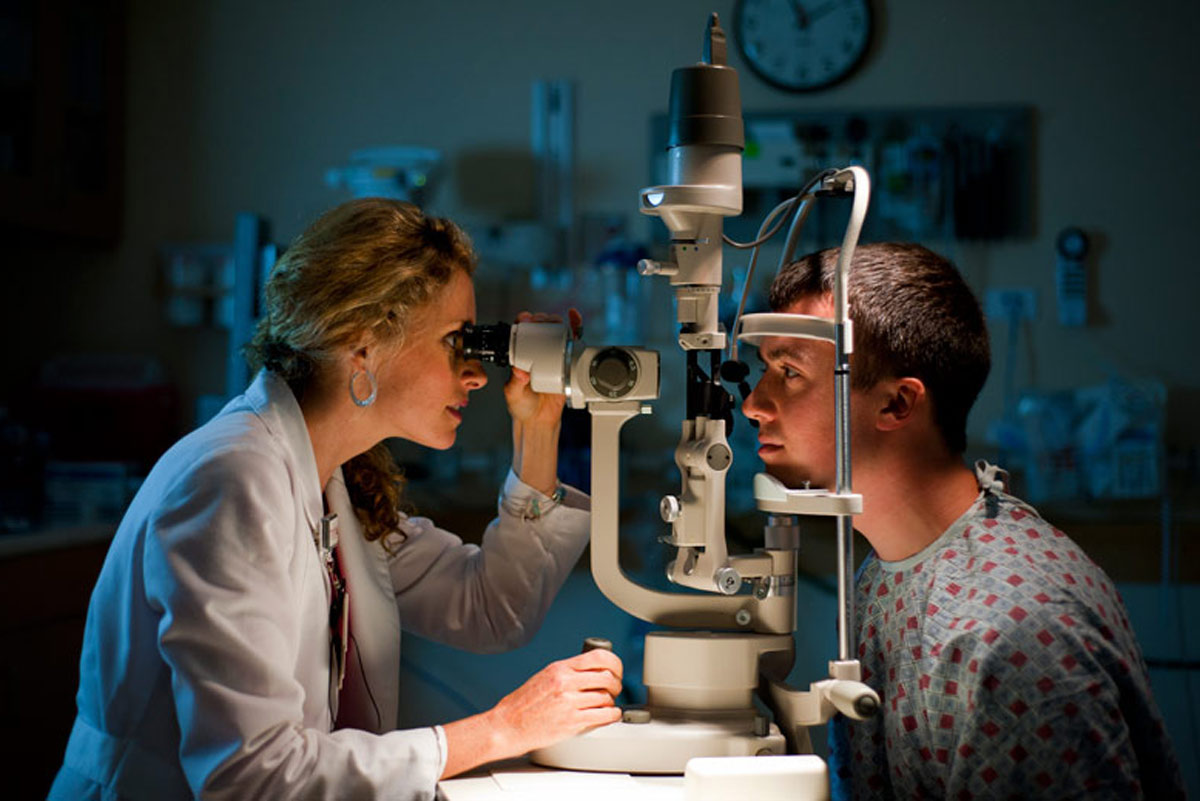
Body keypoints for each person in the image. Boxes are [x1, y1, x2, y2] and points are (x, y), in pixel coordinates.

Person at [50, 198, 623, 800]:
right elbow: (249, 777)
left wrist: (537, 427)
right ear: (363, 343)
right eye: (456, 342)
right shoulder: (231, 480)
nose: (476, 375)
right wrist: (499, 730)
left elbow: (491, 608)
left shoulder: (333, 482)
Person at [741, 242, 1185, 799]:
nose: (753, 404)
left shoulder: (1012, 633)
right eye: (765, 370)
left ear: (897, 405)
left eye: (789, 372)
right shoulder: (892, 567)